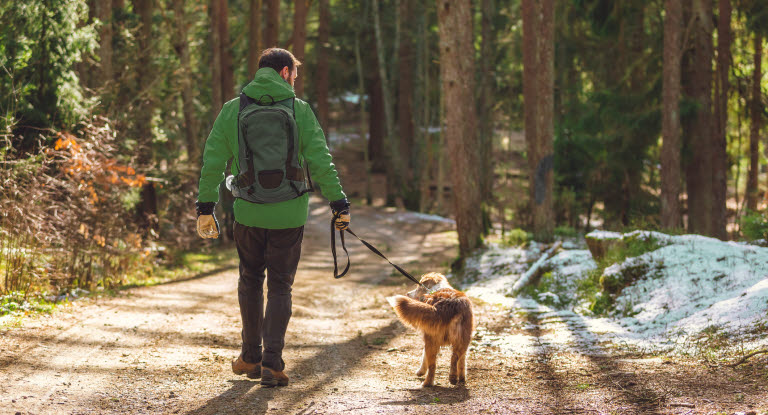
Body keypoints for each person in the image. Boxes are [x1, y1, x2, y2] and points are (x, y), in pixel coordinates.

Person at [195, 48, 350, 387]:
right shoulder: (300, 110)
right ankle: (272, 363)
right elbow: (321, 159)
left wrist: (205, 208)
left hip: (247, 212)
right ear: (284, 72)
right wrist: (338, 202)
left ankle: (250, 356)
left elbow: (213, 162)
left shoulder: (233, 110)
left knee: (250, 280)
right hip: (289, 214)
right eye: (294, 74)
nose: (295, 80)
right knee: (281, 285)